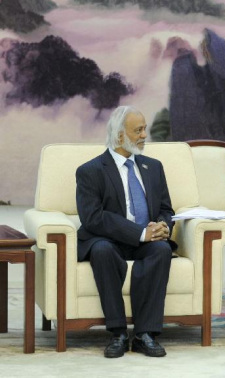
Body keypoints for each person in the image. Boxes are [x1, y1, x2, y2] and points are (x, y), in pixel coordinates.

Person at [76, 106, 175, 358]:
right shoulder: (90, 171)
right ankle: (118, 333)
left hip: (148, 239)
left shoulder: (154, 167)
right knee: (102, 251)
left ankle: (145, 334)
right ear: (120, 136)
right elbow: (93, 218)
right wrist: (140, 233)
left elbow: (165, 208)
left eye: (145, 129)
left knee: (162, 250)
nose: (144, 135)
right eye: (138, 130)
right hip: (107, 239)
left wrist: (163, 226)